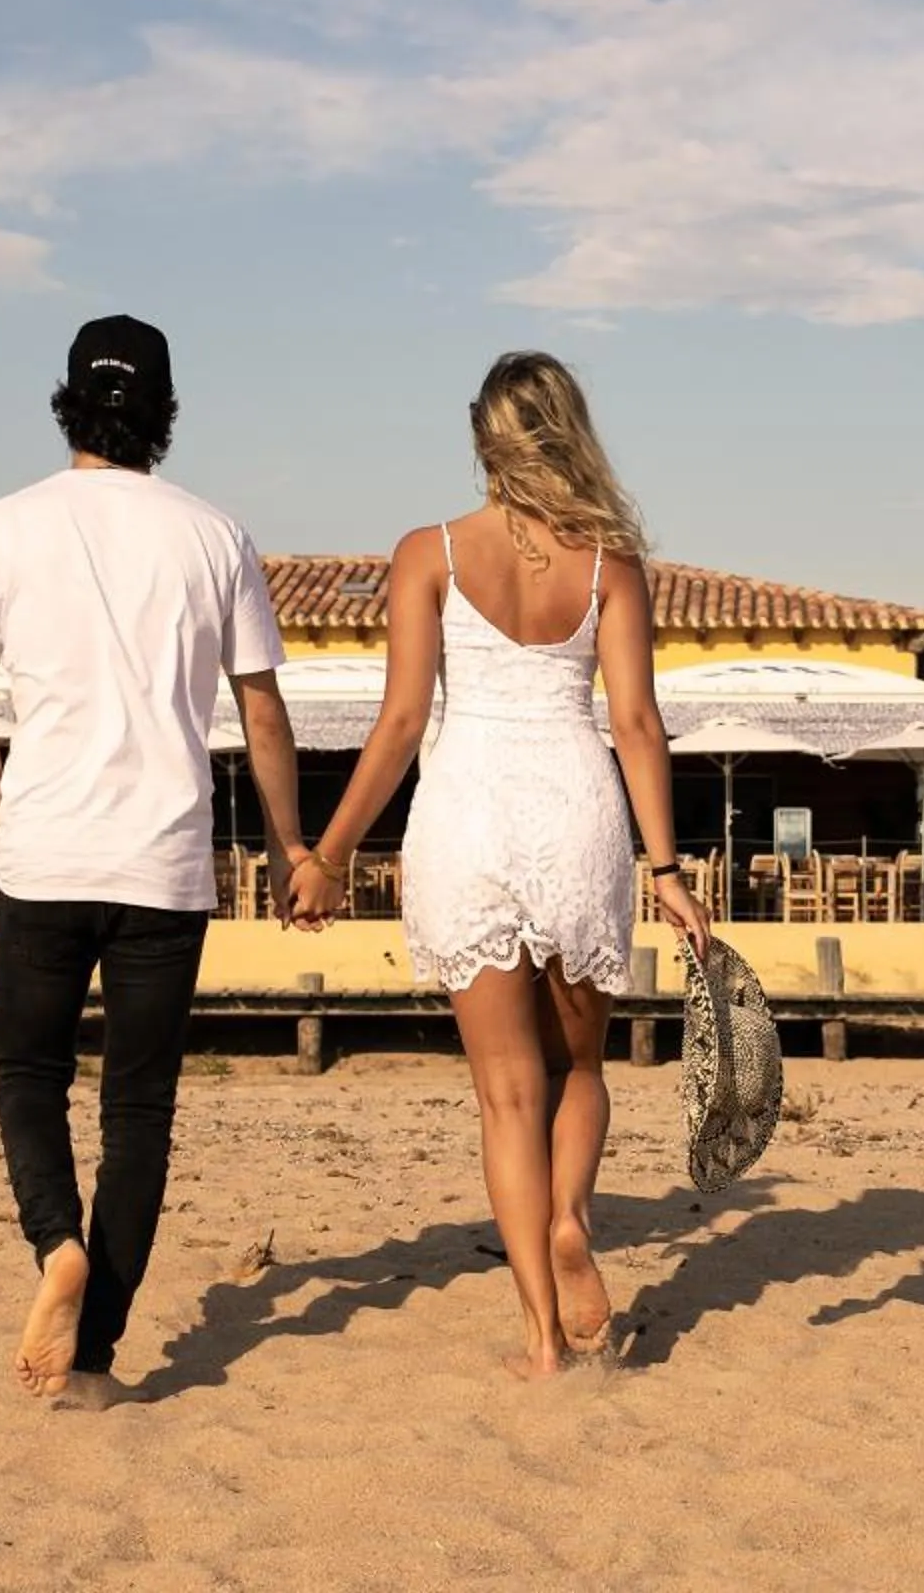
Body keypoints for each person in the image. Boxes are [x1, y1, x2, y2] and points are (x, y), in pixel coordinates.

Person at [293, 351, 708, 1380]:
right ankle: (573, 1216)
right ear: (571, 430)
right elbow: (639, 724)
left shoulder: (428, 552)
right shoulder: (610, 566)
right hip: (575, 809)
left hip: (470, 813)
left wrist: (333, 852)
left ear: (483, 437)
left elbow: (398, 724)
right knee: (578, 1070)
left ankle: (537, 1336)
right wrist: (667, 867)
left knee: (506, 1094)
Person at [0, 314, 309, 1409]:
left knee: (28, 1080)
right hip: (163, 864)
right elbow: (263, 711)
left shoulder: (1, 526)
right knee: (138, 1114)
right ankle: (95, 1354)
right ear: (165, 412)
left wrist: (8, 822)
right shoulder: (215, 534)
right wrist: (294, 846)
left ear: (67, 402)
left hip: (45, 854)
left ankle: (56, 1241)